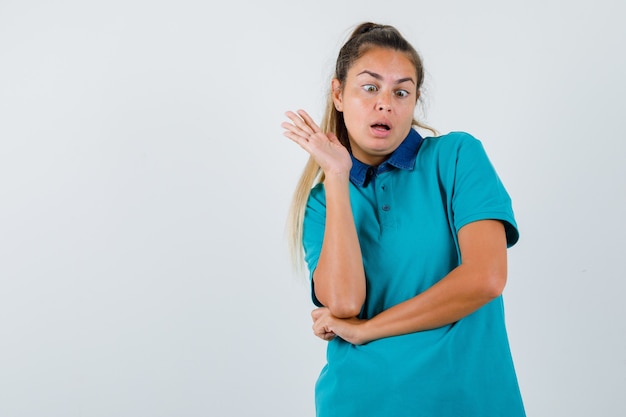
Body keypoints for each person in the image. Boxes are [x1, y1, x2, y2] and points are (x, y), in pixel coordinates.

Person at [282, 22, 525, 417]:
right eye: (370, 87)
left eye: (401, 91)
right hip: (359, 402)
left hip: (470, 402)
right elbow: (343, 303)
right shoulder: (321, 203)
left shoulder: (457, 157)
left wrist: (367, 329)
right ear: (338, 94)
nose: (386, 103)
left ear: (414, 101)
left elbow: (486, 278)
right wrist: (339, 178)